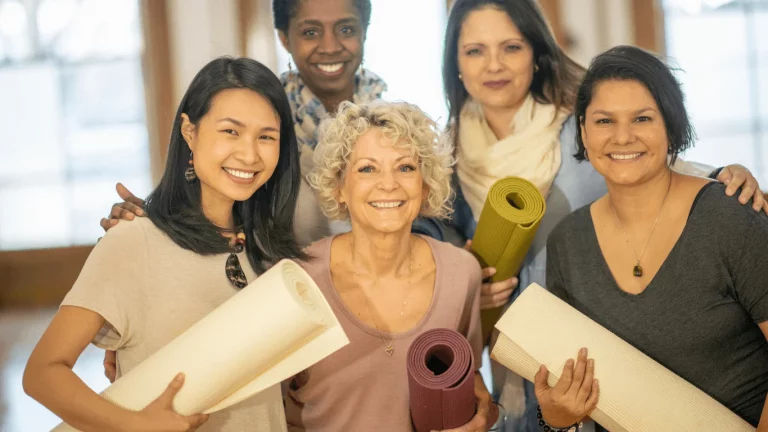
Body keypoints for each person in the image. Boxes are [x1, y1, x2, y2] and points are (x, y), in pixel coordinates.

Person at [434, 1, 767, 430]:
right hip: (524, 348)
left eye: (511, 47)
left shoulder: (582, 128)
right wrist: (463, 283)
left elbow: (658, 164)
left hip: (623, 343)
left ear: (536, 54)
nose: (493, 64)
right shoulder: (446, 159)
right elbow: (433, 252)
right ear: (455, 64)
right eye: (475, 50)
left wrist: (727, 176)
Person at [23, 57, 306, 432]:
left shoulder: (269, 249)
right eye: (231, 132)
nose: (250, 154)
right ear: (189, 132)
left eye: (266, 136)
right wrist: (133, 424)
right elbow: (41, 373)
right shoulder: (133, 240)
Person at [538, 45, 768, 430]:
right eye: (604, 121)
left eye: (642, 118)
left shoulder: (730, 217)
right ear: (582, 130)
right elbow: (565, 392)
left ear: (672, 126)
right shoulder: (568, 242)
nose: (623, 137)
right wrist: (557, 418)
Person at [102, 0, 387, 246]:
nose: (329, 46)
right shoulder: (261, 120)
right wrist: (148, 226)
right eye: (310, 32)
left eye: (346, 29)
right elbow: (210, 211)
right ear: (285, 38)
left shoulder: (394, 126)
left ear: (365, 32)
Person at [285, 100, 491, 431]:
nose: (389, 183)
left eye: (405, 167)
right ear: (339, 187)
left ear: (425, 185)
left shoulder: (461, 273)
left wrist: (483, 416)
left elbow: (470, 384)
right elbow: (277, 408)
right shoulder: (299, 279)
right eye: (367, 168)